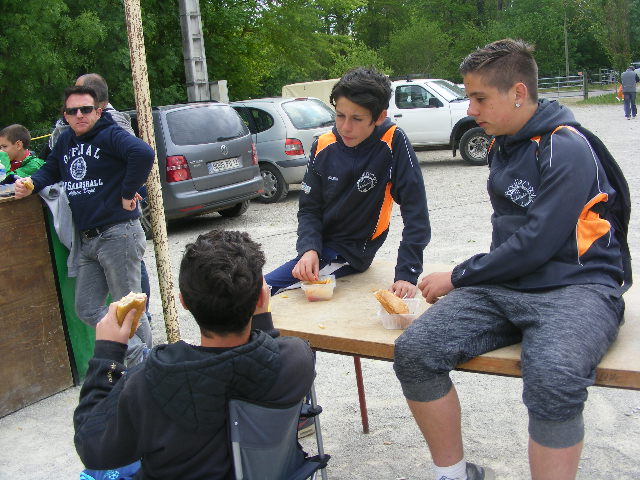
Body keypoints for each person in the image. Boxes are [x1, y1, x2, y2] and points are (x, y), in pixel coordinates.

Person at [393, 39, 626, 480]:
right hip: (510, 283)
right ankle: (454, 474)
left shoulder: (566, 147)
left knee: (553, 377)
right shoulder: (504, 140)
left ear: (518, 93)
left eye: (479, 97)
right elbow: (516, 242)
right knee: (415, 351)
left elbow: (537, 243)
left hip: (577, 286)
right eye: (468, 95)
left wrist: (459, 276)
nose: (470, 108)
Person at [73, 230, 315, 478]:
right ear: (261, 299)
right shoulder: (298, 359)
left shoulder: (148, 382)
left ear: (183, 301)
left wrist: (107, 354)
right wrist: (262, 318)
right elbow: (268, 353)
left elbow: (92, 447)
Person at [14, 85, 154, 366]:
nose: (79, 115)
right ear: (65, 115)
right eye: (72, 110)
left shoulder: (110, 134)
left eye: (86, 109)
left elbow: (144, 154)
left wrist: (128, 192)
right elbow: (50, 169)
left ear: (98, 111)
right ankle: (143, 355)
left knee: (128, 308)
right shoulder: (66, 141)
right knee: (87, 308)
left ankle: (144, 370)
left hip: (118, 233)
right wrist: (29, 184)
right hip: (88, 239)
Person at [265, 67, 431, 299]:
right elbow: (309, 208)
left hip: (351, 253)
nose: (345, 127)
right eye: (340, 115)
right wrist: (309, 248)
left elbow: (416, 214)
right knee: (255, 291)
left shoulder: (392, 141)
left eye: (357, 118)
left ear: (379, 117)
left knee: (260, 291)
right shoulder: (324, 144)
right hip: (319, 249)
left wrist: (407, 273)